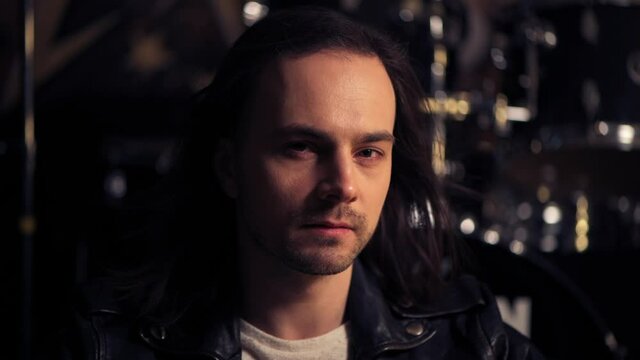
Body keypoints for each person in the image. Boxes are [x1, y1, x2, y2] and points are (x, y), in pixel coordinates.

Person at [60, 6, 544, 360]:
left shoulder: (476, 344)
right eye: (302, 148)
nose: (343, 184)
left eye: (368, 152)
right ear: (230, 167)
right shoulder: (105, 345)